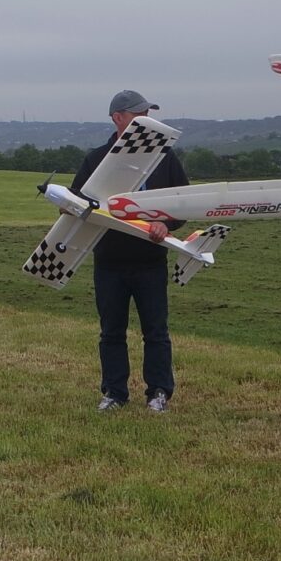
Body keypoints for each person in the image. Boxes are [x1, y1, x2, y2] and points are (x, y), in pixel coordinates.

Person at [70, 90, 188, 413]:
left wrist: (166, 223)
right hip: (109, 262)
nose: (146, 120)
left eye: (147, 114)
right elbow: (76, 203)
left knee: (156, 331)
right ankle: (114, 392)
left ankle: (159, 392)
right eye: (139, 115)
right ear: (118, 118)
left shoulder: (164, 157)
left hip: (150, 260)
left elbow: (183, 202)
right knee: (111, 332)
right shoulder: (97, 159)